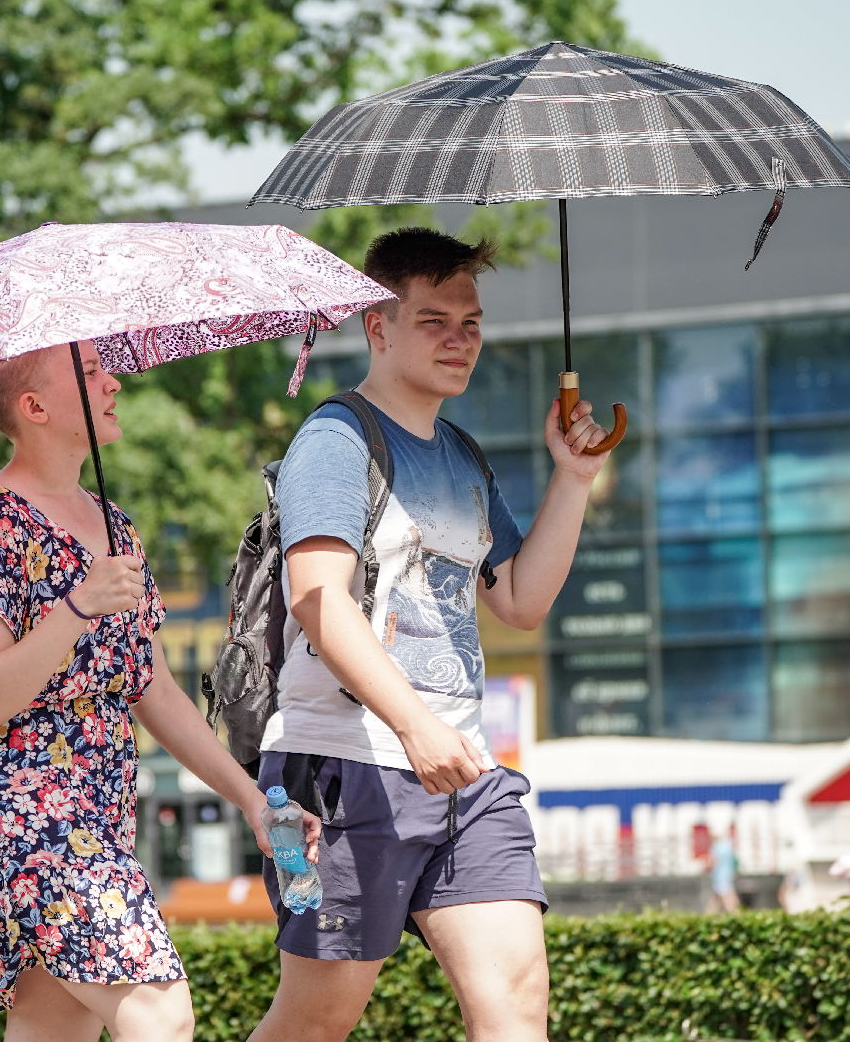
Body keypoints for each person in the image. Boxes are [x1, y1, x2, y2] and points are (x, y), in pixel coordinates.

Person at [247, 228, 611, 1042]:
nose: (459, 340)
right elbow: (315, 598)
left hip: (465, 773)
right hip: (336, 772)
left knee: (515, 1006)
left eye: (471, 323)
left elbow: (517, 600)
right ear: (378, 327)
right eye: (433, 320)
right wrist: (415, 724)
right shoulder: (334, 440)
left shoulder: (462, 455)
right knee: (316, 1018)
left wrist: (574, 477)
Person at [0, 343, 319, 1041]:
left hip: (99, 811)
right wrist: (77, 606)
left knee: (55, 1032)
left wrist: (253, 801)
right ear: (35, 407)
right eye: (87, 373)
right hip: (29, 814)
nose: (113, 381)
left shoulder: (116, 529)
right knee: (159, 1014)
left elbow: (154, 689)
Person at [706, 825, 740, 914]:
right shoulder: (728, 845)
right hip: (727, 875)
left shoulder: (716, 847)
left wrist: (706, 868)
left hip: (720, 877)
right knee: (717, 900)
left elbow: (712, 862)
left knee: (728, 901)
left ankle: (738, 918)